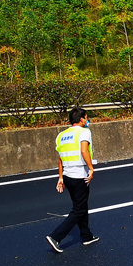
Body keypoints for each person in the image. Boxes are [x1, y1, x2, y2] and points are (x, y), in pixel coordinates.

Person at [46, 106, 99, 253]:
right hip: (79, 175)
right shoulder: (84, 132)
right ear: (81, 119)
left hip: (68, 176)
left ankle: (86, 236)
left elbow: (60, 158)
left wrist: (61, 177)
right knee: (78, 209)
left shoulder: (62, 135)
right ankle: (55, 237)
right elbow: (83, 150)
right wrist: (91, 168)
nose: (87, 120)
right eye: (86, 117)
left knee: (81, 206)